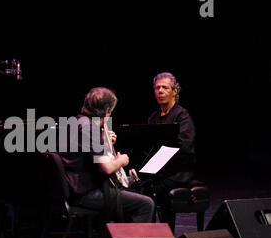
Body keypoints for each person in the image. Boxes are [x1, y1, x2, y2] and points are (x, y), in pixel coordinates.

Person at [58, 87, 155, 223]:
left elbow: (85, 153)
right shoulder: (89, 129)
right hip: (84, 194)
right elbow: (106, 168)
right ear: (107, 111)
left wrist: (102, 142)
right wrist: (122, 160)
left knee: (132, 184)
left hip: (72, 189)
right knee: (146, 204)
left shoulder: (76, 121)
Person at [146, 72, 196, 220]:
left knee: (152, 188)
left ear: (175, 91)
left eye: (165, 88)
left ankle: (164, 232)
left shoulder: (182, 116)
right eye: (157, 88)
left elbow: (184, 147)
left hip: (178, 172)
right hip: (158, 171)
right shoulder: (153, 118)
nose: (160, 91)